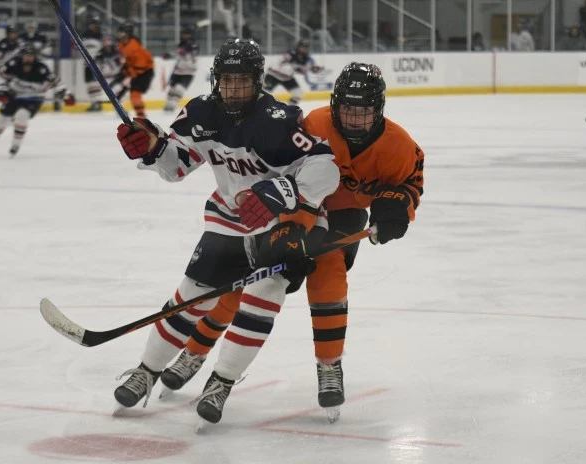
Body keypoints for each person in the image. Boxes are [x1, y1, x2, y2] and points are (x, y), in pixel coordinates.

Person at [158, 63, 425, 423]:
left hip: (344, 215)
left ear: (379, 109)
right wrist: (288, 226)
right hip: (295, 206)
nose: (354, 120)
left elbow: (410, 180)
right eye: (347, 110)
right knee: (248, 280)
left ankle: (329, 365)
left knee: (328, 277)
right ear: (334, 106)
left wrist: (397, 205)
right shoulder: (315, 124)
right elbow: (283, 172)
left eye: (363, 112)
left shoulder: (398, 144)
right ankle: (194, 352)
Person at [113, 38, 339, 425]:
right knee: (190, 298)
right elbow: (178, 165)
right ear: (217, 80)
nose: (234, 89)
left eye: (243, 81)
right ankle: (146, 371)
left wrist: (284, 190)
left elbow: (325, 167)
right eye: (228, 81)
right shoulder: (201, 111)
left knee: (259, 304)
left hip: (278, 226)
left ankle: (222, 382)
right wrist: (151, 147)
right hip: (229, 219)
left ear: (258, 82)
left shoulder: (278, 120)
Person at [0, 44, 75, 156]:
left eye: (31, 56)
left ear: (35, 57)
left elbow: (57, 82)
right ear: (21, 56)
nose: (28, 58)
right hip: (14, 96)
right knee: (1, 119)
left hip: (34, 99)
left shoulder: (42, 69)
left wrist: (66, 95)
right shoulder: (13, 64)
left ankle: (16, 145)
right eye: (26, 56)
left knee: (22, 116)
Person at [263, 39, 323, 106]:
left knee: (298, 94)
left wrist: (312, 69)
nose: (304, 49)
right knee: (263, 94)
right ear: (298, 46)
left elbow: (301, 70)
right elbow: (284, 65)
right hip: (273, 75)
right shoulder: (291, 53)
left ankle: (290, 109)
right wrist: (303, 67)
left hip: (287, 78)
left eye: (306, 47)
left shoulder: (305, 58)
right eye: (302, 47)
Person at [116, 22, 154, 118]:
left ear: (128, 33)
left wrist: (127, 71)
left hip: (145, 72)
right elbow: (127, 60)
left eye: (122, 32)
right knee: (133, 94)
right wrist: (125, 68)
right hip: (136, 71)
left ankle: (141, 116)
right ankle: (140, 115)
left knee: (135, 94)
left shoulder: (135, 46)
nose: (119, 35)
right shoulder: (122, 44)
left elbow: (140, 67)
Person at [162, 26, 199, 113]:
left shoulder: (194, 45)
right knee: (172, 89)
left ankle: (173, 105)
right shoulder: (181, 44)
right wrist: (169, 55)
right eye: (183, 34)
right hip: (178, 71)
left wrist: (186, 48)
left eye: (186, 34)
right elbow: (178, 53)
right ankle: (168, 105)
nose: (184, 36)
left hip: (189, 72)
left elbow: (189, 52)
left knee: (179, 89)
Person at [80, 17, 104, 112]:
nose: (93, 26)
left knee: (96, 83)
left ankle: (97, 102)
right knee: (89, 83)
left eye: (95, 24)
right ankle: (93, 102)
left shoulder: (100, 35)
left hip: (97, 63)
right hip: (87, 63)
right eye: (92, 24)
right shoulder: (84, 35)